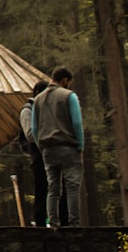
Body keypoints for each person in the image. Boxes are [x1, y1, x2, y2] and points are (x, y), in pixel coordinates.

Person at [31, 65, 83, 227]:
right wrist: (80, 145)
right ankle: (73, 223)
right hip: (67, 146)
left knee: (53, 188)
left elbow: (34, 127)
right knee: (72, 186)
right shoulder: (69, 96)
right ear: (65, 80)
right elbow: (76, 122)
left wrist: (41, 146)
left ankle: (53, 223)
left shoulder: (38, 99)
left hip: (47, 149)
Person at [20, 79, 55, 227]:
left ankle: (56, 219)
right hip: (38, 154)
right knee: (41, 187)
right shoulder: (28, 109)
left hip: (51, 153)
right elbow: (29, 134)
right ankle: (40, 221)